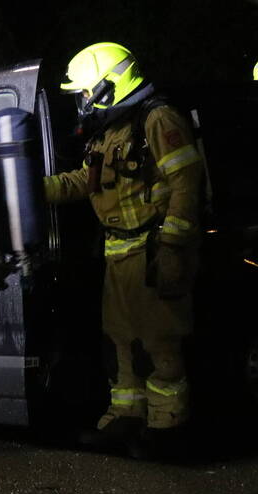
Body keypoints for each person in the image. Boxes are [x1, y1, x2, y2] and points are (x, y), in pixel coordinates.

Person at [44, 43, 204, 458]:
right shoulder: (111, 130)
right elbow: (85, 180)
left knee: (160, 344)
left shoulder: (158, 119)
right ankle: (126, 420)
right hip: (119, 254)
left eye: (84, 93)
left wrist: (172, 246)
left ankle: (168, 428)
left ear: (106, 87)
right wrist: (37, 188)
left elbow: (187, 184)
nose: (82, 102)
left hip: (152, 250)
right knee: (120, 340)